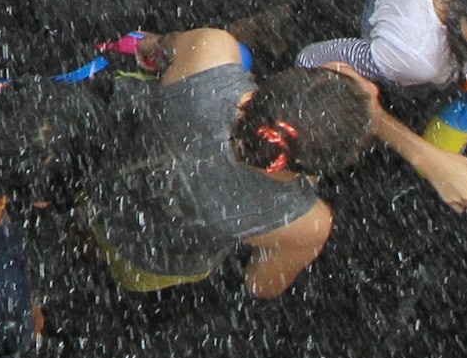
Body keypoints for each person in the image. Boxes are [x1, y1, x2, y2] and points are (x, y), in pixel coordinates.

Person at [82, 30, 374, 295]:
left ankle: (79, 229)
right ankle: (90, 254)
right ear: (322, 166)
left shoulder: (210, 52)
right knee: (126, 271)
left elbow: (152, 46)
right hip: (149, 259)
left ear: (259, 96)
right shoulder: (304, 223)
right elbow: (260, 285)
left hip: (101, 175)